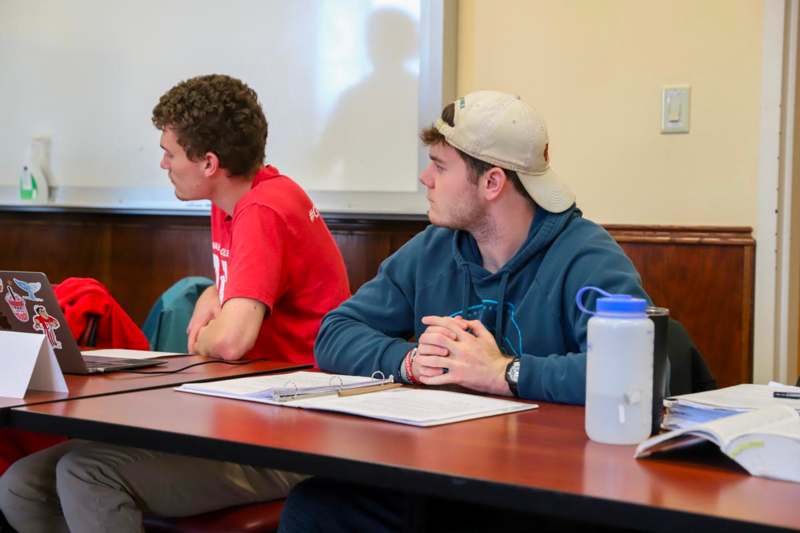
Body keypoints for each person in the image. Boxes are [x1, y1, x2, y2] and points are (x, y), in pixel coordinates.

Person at [277, 90, 651, 532]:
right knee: (318, 505)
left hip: (545, 492)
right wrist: (413, 361)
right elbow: (335, 332)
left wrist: (504, 373)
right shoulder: (432, 249)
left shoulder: (586, 256)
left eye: (439, 166)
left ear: (492, 183)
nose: (424, 178)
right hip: (439, 477)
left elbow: (630, 374)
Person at [0, 74, 350, 533]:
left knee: (88, 474)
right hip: (243, 415)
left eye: (170, 152)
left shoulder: (263, 209)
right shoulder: (237, 200)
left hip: (292, 437)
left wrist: (206, 334)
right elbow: (250, 286)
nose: (163, 163)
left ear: (209, 162)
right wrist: (214, 292)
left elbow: (228, 343)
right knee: (21, 484)